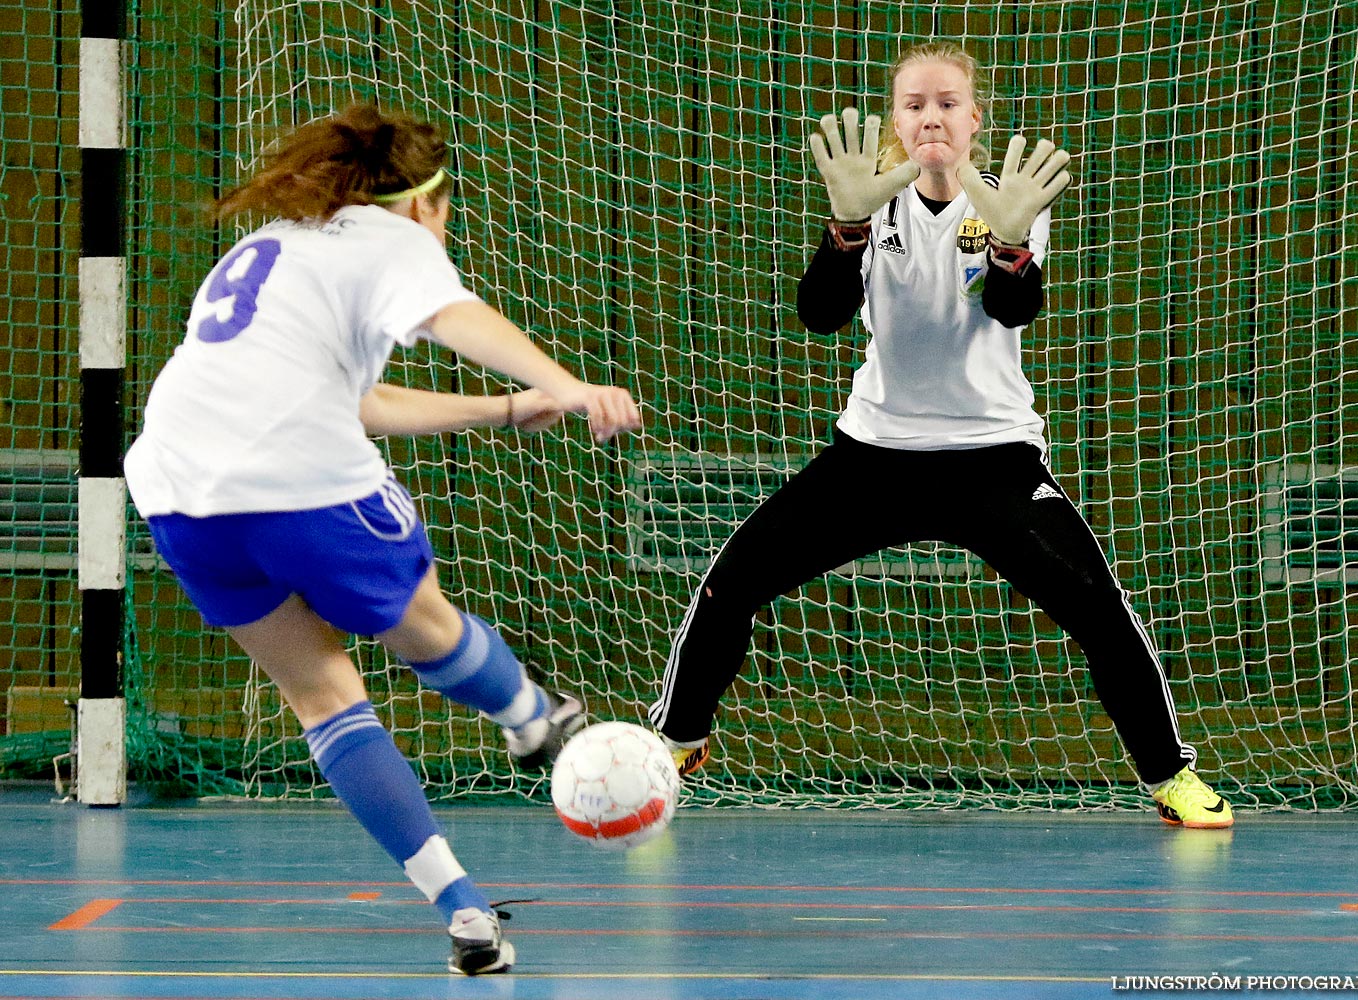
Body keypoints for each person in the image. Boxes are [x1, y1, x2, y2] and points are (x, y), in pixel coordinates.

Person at [648, 41, 1233, 829]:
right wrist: (843, 227)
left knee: (1099, 608)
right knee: (730, 581)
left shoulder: (1008, 198)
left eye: (947, 103)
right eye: (915, 104)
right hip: (875, 456)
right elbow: (819, 314)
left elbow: (1011, 308)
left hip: (992, 459)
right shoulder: (869, 200)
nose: (931, 117)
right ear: (896, 119)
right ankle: (678, 739)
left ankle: (1171, 777)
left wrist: (1013, 245)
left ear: (973, 118)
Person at [124, 104, 643, 975]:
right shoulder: (394, 239)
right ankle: (530, 716)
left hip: (179, 490)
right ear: (424, 203)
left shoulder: (276, 248)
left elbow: (352, 403)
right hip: (298, 483)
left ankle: (465, 913)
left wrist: (507, 411)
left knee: (322, 698)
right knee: (425, 625)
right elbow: (458, 318)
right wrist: (570, 383)